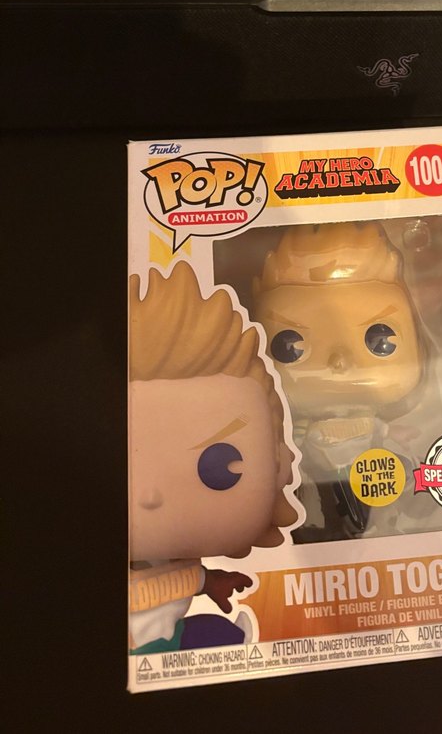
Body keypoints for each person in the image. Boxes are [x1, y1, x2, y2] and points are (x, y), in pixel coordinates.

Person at [129, 261, 298, 653]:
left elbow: (165, 583)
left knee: (218, 635)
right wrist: (204, 580)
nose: (151, 495)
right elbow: (148, 590)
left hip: (168, 637)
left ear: (280, 460)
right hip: (139, 649)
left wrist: (209, 581)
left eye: (219, 467)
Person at [254, 221, 422, 540]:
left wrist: (394, 432)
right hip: (319, 469)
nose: (339, 361)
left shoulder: (370, 419)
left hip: (371, 466)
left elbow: (379, 431)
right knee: (326, 501)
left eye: (380, 340)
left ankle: (370, 524)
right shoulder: (301, 424)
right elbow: (293, 444)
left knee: (374, 497)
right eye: (290, 346)